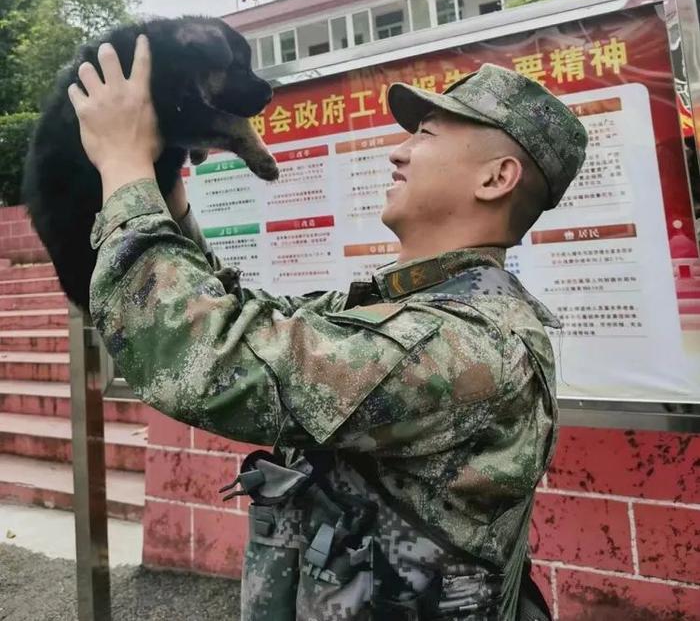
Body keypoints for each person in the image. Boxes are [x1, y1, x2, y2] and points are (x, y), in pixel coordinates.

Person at [68, 35, 588, 621]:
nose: (398, 153)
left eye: (426, 136)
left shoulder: (464, 344)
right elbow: (251, 317)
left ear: (496, 178)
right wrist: (169, 200)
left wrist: (124, 168)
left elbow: (206, 356)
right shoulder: (414, 307)